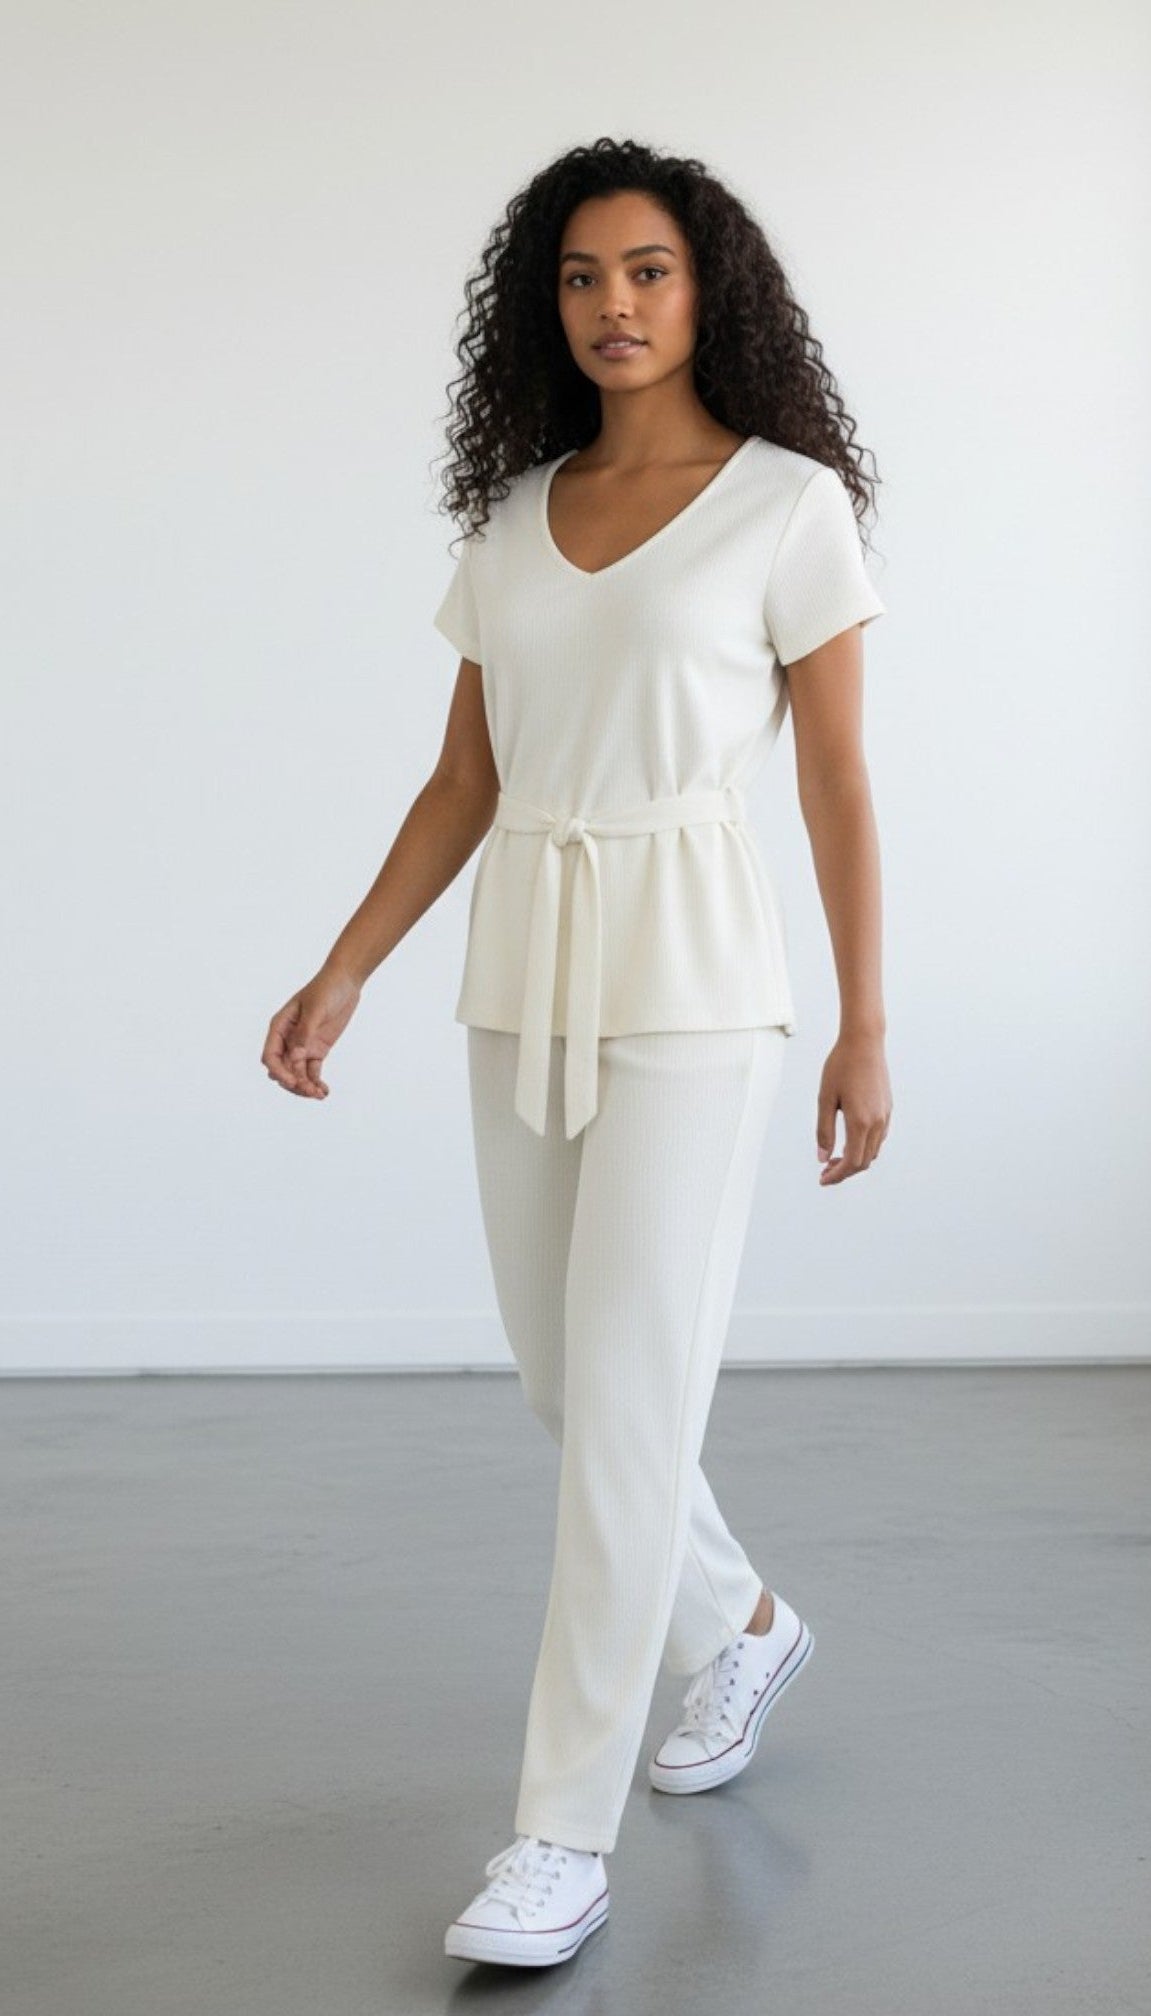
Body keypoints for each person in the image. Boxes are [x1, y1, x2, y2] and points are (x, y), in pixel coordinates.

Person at [261, 136, 892, 1971]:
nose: (612, 306)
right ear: (546, 310)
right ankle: (744, 1626)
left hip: (698, 973)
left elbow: (842, 779)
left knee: (625, 1406)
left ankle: (556, 1834)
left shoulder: (789, 504)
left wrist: (867, 1019)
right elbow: (466, 777)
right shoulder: (513, 515)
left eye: (647, 272)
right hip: (522, 962)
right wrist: (346, 968)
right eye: (578, 279)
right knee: (569, 1385)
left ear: (711, 292)